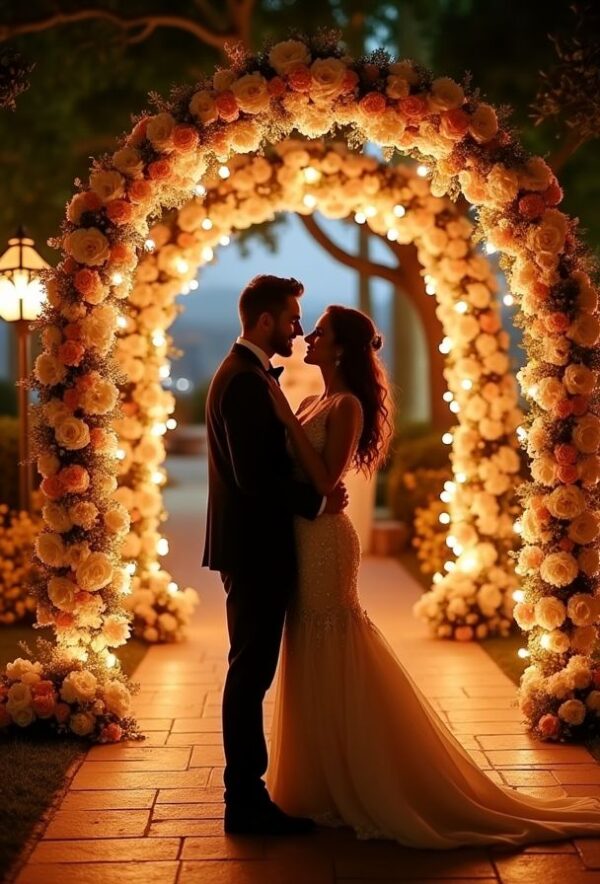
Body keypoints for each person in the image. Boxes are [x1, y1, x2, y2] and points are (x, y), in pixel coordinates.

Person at [265, 303, 600, 848]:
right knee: (305, 645)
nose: (309, 337)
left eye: (320, 332)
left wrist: (284, 420)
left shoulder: (346, 405)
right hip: (301, 538)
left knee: (334, 643)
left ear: (342, 348)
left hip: (327, 541)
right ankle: (319, 782)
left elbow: (327, 480)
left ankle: (371, 779)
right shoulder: (308, 400)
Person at [202, 275, 348, 836]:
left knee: (251, 670)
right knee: (249, 673)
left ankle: (246, 796)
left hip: (252, 546)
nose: (297, 329)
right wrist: (315, 498)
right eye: (291, 318)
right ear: (264, 321)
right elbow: (253, 477)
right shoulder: (243, 382)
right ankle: (244, 800)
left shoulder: (249, 374)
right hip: (254, 548)